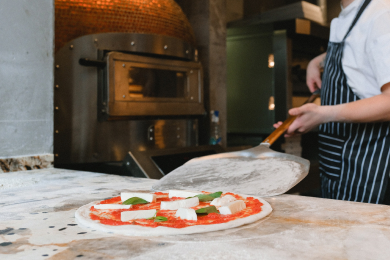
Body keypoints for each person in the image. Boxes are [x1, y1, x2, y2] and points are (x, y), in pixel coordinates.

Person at [274, 0, 390, 204]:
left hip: (368, 166)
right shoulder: (351, 14)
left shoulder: (382, 13)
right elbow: (360, 48)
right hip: (339, 164)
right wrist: (318, 61)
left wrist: (323, 114)